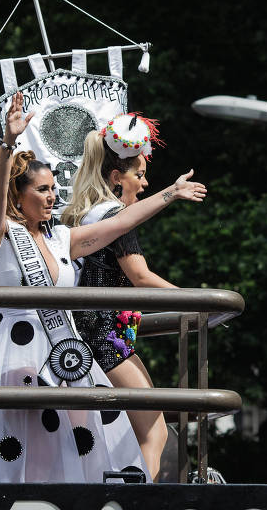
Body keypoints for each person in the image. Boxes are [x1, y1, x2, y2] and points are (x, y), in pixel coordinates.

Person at [0, 91, 206, 482]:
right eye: (42, 190)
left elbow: (120, 224)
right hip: (20, 354)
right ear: (19, 195)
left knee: (81, 447)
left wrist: (171, 194)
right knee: (25, 454)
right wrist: (7, 144)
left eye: (52, 188)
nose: (52, 196)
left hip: (67, 353)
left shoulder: (62, 237)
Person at [60, 113, 174, 480]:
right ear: (115, 178)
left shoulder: (91, 214)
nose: (145, 183)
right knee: (155, 431)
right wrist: (199, 303)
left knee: (132, 432)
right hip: (103, 336)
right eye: (138, 175)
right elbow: (141, 277)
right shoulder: (115, 215)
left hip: (99, 333)